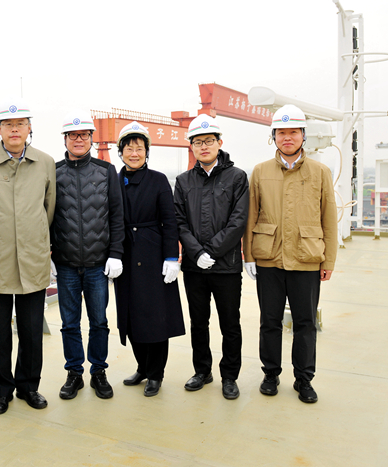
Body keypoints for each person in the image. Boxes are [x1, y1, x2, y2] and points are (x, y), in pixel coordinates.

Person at [0, 98, 56, 414]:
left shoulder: (45, 163)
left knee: (31, 330)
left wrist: (32, 237)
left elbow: (49, 208)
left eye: (20, 124)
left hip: (33, 260)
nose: (14, 129)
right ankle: (1, 391)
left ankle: (29, 387)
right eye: (8, 124)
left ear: (30, 128)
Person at [243, 104, 338, 404]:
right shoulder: (260, 172)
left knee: (305, 323)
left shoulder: (320, 172)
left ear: (303, 136)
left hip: (306, 258)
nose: (287, 138)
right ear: (273, 136)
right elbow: (251, 215)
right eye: (281, 132)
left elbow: (329, 219)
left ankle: (304, 379)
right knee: (269, 321)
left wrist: (329, 260)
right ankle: (270, 374)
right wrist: (249, 256)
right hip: (269, 258)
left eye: (293, 132)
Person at [51, 110, 125, 400]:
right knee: (69, 324)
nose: (78, 139)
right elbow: (46, 216)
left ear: (92, 138)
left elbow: (117, 215)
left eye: (83, 134)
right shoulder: (53, 172)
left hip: (97, 264)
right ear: (65, 139)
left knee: (99, 323)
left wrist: (115, 253)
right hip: (66, 264)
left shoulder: (106, 171)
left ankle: (98, 372)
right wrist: (49, 256)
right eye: (73, 135)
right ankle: (74, 373)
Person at [173, 114, 249, 400]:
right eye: (197, 142)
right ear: (191, 146)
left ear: (219, 142)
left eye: (208, 141)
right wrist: (196, 253)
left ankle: (229, 376)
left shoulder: (237, 177)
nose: (203, 146)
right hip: (195, 269)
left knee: (230, 324)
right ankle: (202, 371)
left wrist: (211, 251)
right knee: (198, 322)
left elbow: (238, 221)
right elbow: (179, 221)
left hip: (226, 266)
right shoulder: (183, 181)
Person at [113, 121, 185, 397]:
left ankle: (156, 373)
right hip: (125, 255)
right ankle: (142, 367)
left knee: (155, 317)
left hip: (153, 256)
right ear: (120, 151)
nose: (134, 153)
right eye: (129, 148)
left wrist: (171, 257)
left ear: (147, 152)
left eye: (139, 148)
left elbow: (170, 220)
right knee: (131, 316)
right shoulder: (114, 180)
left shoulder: (158, 180)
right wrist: (112, 254)